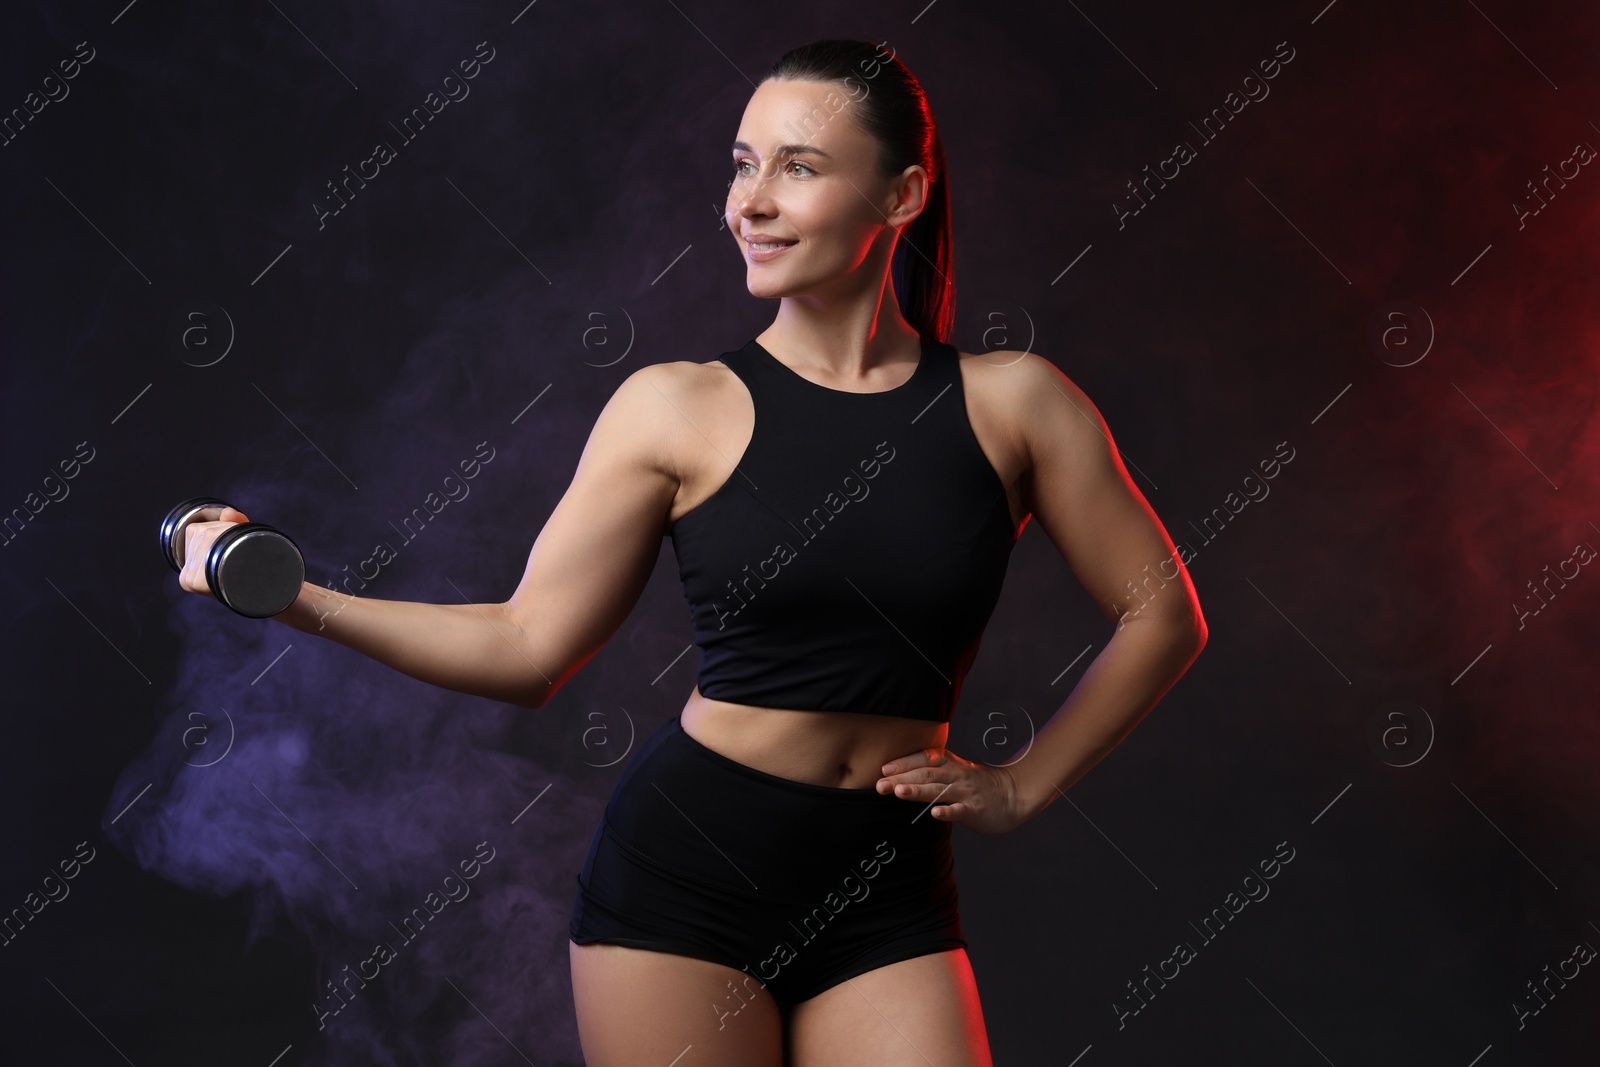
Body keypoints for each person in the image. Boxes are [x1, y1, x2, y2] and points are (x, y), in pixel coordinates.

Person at [176, 38, 1206, 1067]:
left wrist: (1024, 784)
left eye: (797, 166)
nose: (747, 202)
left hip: (887, 886)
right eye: (740, 162)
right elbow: (526, 646)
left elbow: (1162, 611)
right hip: (684, 883)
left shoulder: (1015, 402)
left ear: (901, 196)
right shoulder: (675, 407)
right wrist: (297, 596)